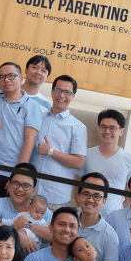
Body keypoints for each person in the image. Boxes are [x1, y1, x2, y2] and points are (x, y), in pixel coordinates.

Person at [0, 63, 46, 203]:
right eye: (2, 77)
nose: (6, 80)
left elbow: (29, 140)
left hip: (10, 174)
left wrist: (17, 176)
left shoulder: (32, 106)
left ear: (21, 79)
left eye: (11, 76)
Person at [33, 75, 88, 207]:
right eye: (58, 90)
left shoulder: (78, 127)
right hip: (30, 192)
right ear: (52, 92)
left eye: (67, 92)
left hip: (56, 197)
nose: (62, 95)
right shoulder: (37, 118)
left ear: (73, 96)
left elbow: (79, 162)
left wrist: (51, 151)